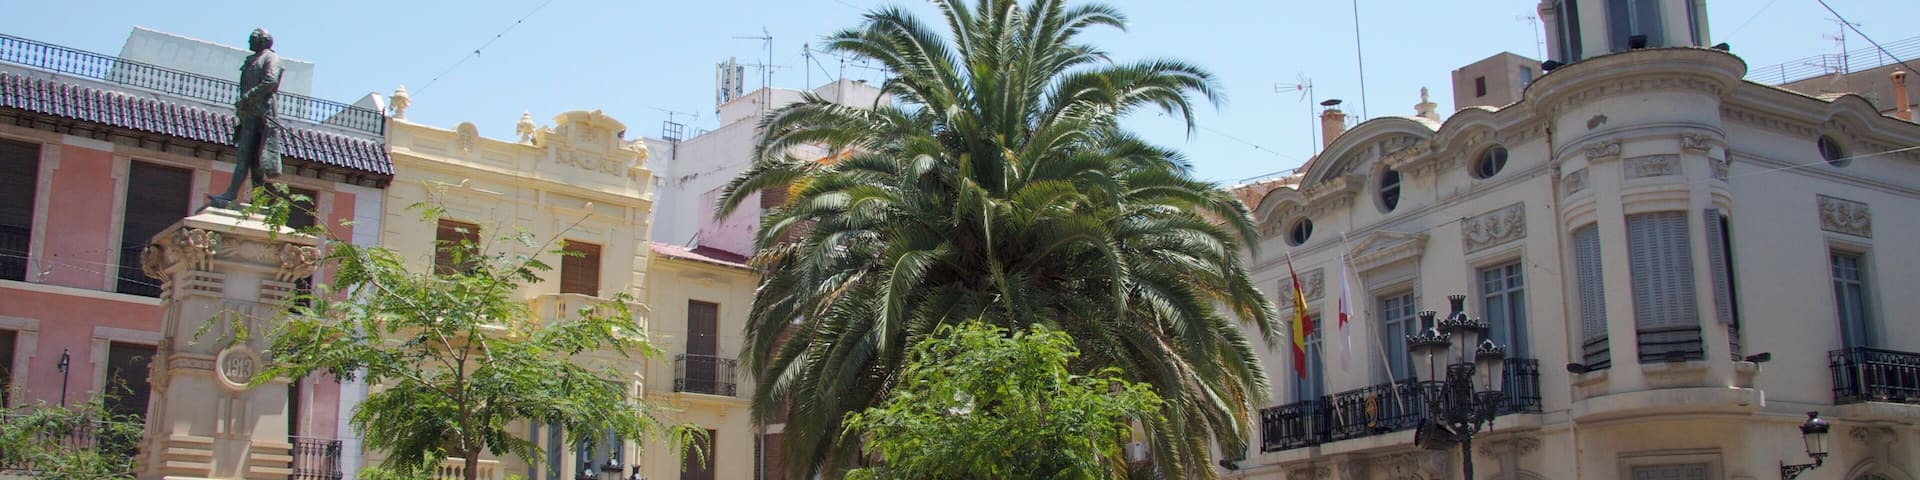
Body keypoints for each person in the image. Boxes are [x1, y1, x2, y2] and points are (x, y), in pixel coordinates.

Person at [210, 28, 284, 209]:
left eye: (252, 39)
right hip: (249, 115)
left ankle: (233, 194)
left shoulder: (270, 58)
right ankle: (255, 199)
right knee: (249, 158)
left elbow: (271, 81)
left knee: (253, 157)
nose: (249, 42)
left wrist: (248, 97)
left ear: (263, 41)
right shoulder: (253, 60)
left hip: (262, 115)